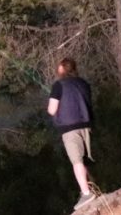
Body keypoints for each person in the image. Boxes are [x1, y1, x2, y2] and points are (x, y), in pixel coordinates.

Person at [47, 57, 95, 208]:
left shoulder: (58, 85)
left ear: (62, 69)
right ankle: (89, 189)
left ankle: (87, 194)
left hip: (70, 128)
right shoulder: (84, 84)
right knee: (83, 160)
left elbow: (52, 110)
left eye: (59, 67)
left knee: (76, 161)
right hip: (86, 125)